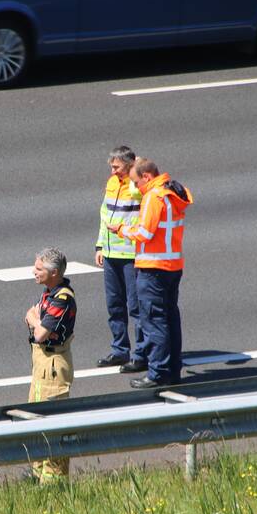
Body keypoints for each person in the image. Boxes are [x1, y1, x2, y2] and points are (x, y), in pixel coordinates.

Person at [109, 158, 193, 389]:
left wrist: (122, 229)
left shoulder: (153, 197)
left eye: (137, 182)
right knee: (170, 320)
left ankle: (157, 374)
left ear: (147, 176)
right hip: (172, 266)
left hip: (153, 269)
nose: (136, 187)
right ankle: (173, 370)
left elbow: (145, 233)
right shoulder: (173, 192)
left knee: (154, 322)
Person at [24, 247, 77, 483]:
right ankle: (38, 474)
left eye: (38, 268)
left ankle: (53, 481)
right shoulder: (49, 292)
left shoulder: (62, 298)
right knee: (34, 417)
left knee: (51, 422)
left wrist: (34, 320)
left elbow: (40, 333)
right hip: (41, 363)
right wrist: (35, 321)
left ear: (54, 272)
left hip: (53, 365)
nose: (33, 272)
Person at [94, 146, 147, 374]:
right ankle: (120, 350)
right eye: (112, 167)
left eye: (117, 166)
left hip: (131, 254)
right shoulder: (112, 182)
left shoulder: (137, 186)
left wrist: (138, 169)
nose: (113, 170)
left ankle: (141, 354)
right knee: (115, 305)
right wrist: (99, 245)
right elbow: (104, 215)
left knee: (135, 307)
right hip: (110, 254)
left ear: (129, 164)